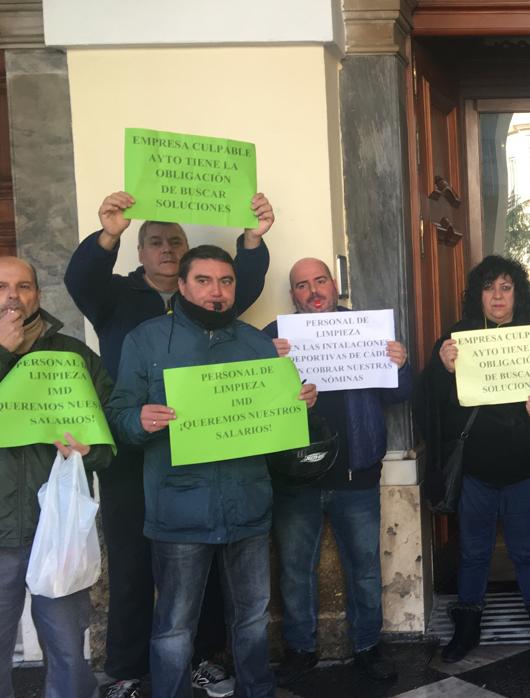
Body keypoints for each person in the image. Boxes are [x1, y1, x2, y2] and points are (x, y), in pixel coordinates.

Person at [65, 191, 274, 698]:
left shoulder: (244, 334)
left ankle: (214, 665)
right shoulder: (121, 303)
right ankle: (127, 672)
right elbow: (81, 282)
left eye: (174, 241)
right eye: (155, 241)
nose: (215, 290)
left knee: (235, 608)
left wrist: (251, 241)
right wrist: (107, 234)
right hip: (145, 469)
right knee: (140, 576)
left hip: (235, 488)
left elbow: (236, 285)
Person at [105, 245, 316, 698]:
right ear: (181, 286)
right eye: (203, 281)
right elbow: (119, 413)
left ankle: (256, 690)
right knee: (174, 627)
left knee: (253, 618)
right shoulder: (146, 339)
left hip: (249, 504)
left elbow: (278, 429)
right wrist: (137, 420)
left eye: (226, 282)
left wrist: (297, 405)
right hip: (179, 510)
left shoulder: (256, 342)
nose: (216, 293)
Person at [263, 258, 411, 684]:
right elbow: (250, 397)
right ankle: (299, 650)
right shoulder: (273, 338)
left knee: (364, 569)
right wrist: (266, 363)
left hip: (356, 474)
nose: (313, 291)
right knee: (294, 571)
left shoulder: (366, 329)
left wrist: (399, 364)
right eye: (302, 285)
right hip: (295, 479)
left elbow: (401, 393)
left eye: (320, 281)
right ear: (293, 295)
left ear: (335, 285)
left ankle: (367, 646)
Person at [427, 255, 530, 665]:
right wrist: (441, 368)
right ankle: (467, 628)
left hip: (524, 469)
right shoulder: (456, 339)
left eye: (506, 287)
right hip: (477, 472)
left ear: (517, 293)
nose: (498, 296)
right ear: (478, 296)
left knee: (525, 551)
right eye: (489, 288)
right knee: (473, 552)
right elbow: (433, 405)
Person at [0, 256, 111, 698]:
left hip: (58, 529)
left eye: (24, 286)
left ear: (37, 297)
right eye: (2, 286)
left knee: (67, 648)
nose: (13, 296)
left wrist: (92, 450)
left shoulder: (73, 356)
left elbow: (109, 428)